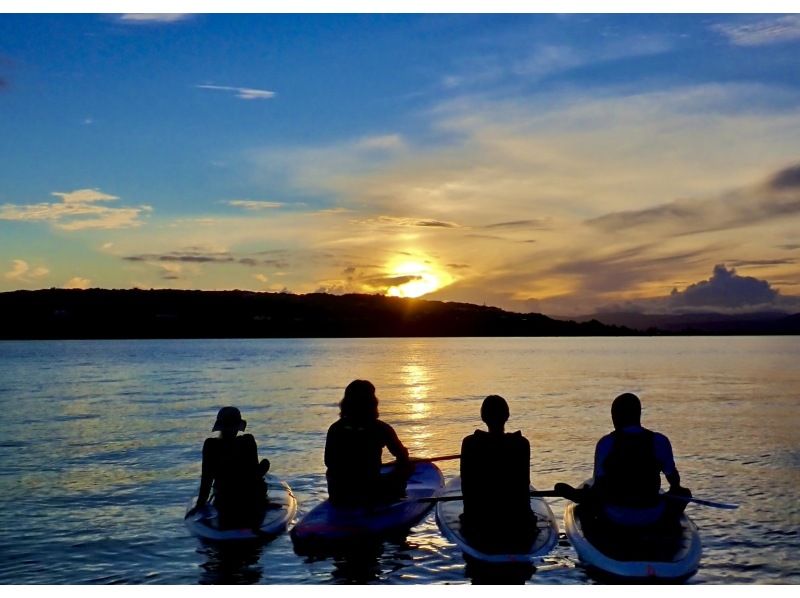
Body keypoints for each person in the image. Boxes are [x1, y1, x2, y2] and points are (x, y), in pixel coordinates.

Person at [560, 392, 692, 527]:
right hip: (652, 512)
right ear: (638, 415)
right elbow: (674, 481)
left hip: (615, 514)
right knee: (684, 493)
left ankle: (580, 500)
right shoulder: (660, 441)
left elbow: (599, 486)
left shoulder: (606, 443)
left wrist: (585, 494)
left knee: (592, 497)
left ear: (616, 416)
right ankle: (667, 524)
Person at [460, 395, 537, 546]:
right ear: (507, 416)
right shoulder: (521, 444)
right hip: (517, 521)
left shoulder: (470, 444)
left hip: (479, 521)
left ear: (483, 417)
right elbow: (523, 485)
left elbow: (466, 487)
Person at [324, 379, 410, 506]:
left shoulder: (335, 428)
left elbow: (329, 462)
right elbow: (402, 456)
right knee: (407, 467)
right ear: (372, 403)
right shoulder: (381, 428)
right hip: (370, 491)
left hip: (339, 493)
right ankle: (393, 496)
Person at [188, 406, 270, 528]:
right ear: (238, 425)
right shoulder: (247, 441)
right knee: (265, 463)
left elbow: (207, 479)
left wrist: (200, 504)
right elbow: (254, 474)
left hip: (224, 499)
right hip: (249, 497)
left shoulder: (210, 445)